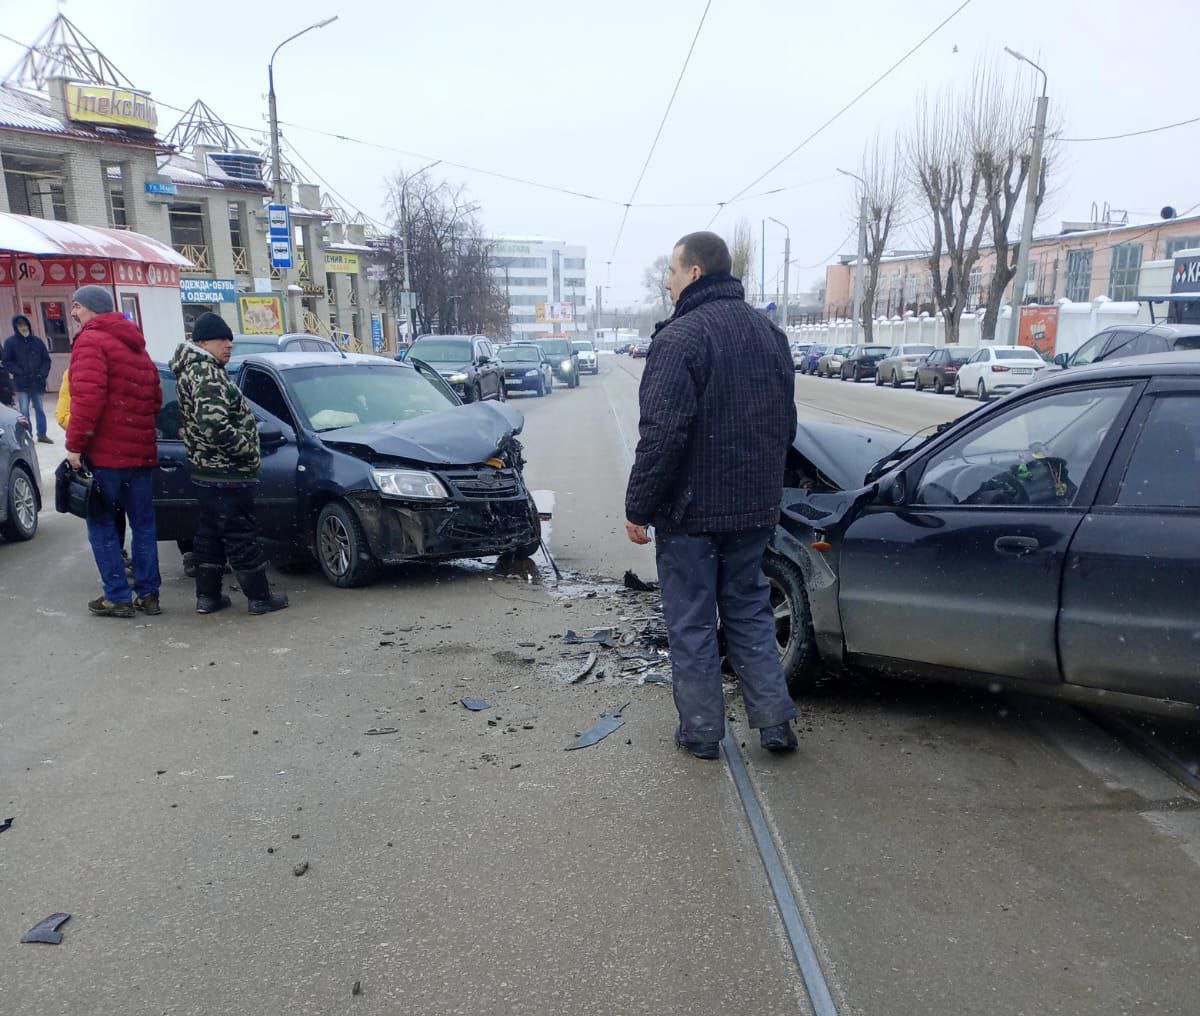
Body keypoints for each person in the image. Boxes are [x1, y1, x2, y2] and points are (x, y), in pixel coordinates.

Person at [624, 231, 799, 760]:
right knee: (749, 611)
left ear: (695, 273)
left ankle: (701, 733)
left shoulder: (680, 339)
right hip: (752, 510)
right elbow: (784, 426)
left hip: (692, 515)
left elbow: (662, 434)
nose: (668, 281)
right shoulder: (770, 335)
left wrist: (639, 506)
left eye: (672, 272)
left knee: (693, 620)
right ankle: (774, 722)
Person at [170, 312, 287, 616]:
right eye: (222, 339)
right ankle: (260, 598)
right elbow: (215, 427)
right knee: (240, 535)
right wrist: (248, 450)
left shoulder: (192, 371)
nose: (229, 344)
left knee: (209, 533)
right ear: (203, 342)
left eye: (230, 339)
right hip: (227, 471)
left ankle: (208, 597)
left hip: (207, 471)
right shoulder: (207, 374)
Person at [64, 285, 163, 618]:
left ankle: (118, 596)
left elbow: (87, 401)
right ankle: (149, 595)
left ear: (91, 308)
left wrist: (75, 446)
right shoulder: (137, 346)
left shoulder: (90, 341)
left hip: (106, 457)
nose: (73, 314)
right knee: (144, 525)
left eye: (76, 307)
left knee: (102, 524)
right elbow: (155, 400)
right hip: (141, 455)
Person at [58, 366, 131, 574]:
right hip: (98, 456)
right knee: (108, 511)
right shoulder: (72, 373)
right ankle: (118, 559)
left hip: (121, 454)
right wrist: (94, 429)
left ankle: (119, 574)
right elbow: (63, 415)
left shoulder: (119, 369)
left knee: (115, 511)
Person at [2, 315, 53, 443]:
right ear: (16, 327)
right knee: (24, 411)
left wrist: (42, 374)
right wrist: (19, 372)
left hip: (37, 382)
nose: (23, 328)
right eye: (20, 325)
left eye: (25, 325)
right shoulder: (10, 343)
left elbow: (46, 360)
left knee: (39, 409)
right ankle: (27, 435)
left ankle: (42, 434)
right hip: (21, 383)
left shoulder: (37, 342)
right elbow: (7, 362)